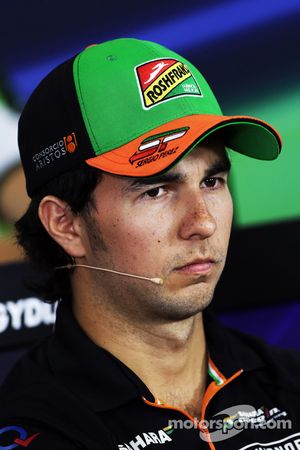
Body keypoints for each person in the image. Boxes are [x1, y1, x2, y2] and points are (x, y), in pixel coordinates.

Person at [0, 38, 299, 450]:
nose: (204, 222)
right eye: (156, 191)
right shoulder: (34, 428)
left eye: (212, 182)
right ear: (66, 224)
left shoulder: (288, 380)